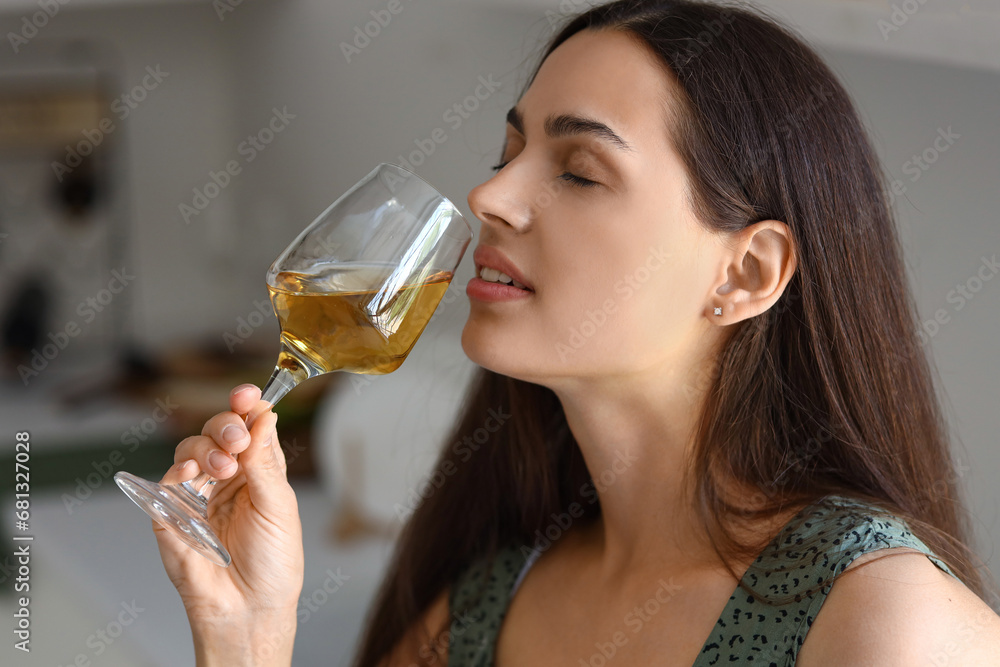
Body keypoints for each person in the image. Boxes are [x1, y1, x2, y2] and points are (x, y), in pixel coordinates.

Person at [153, 0, 1000, 664]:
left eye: (580, 171)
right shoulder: (488, 601)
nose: (489, 197)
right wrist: (246, 634)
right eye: (507, 153)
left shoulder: (881, 621)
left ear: (745, 274)